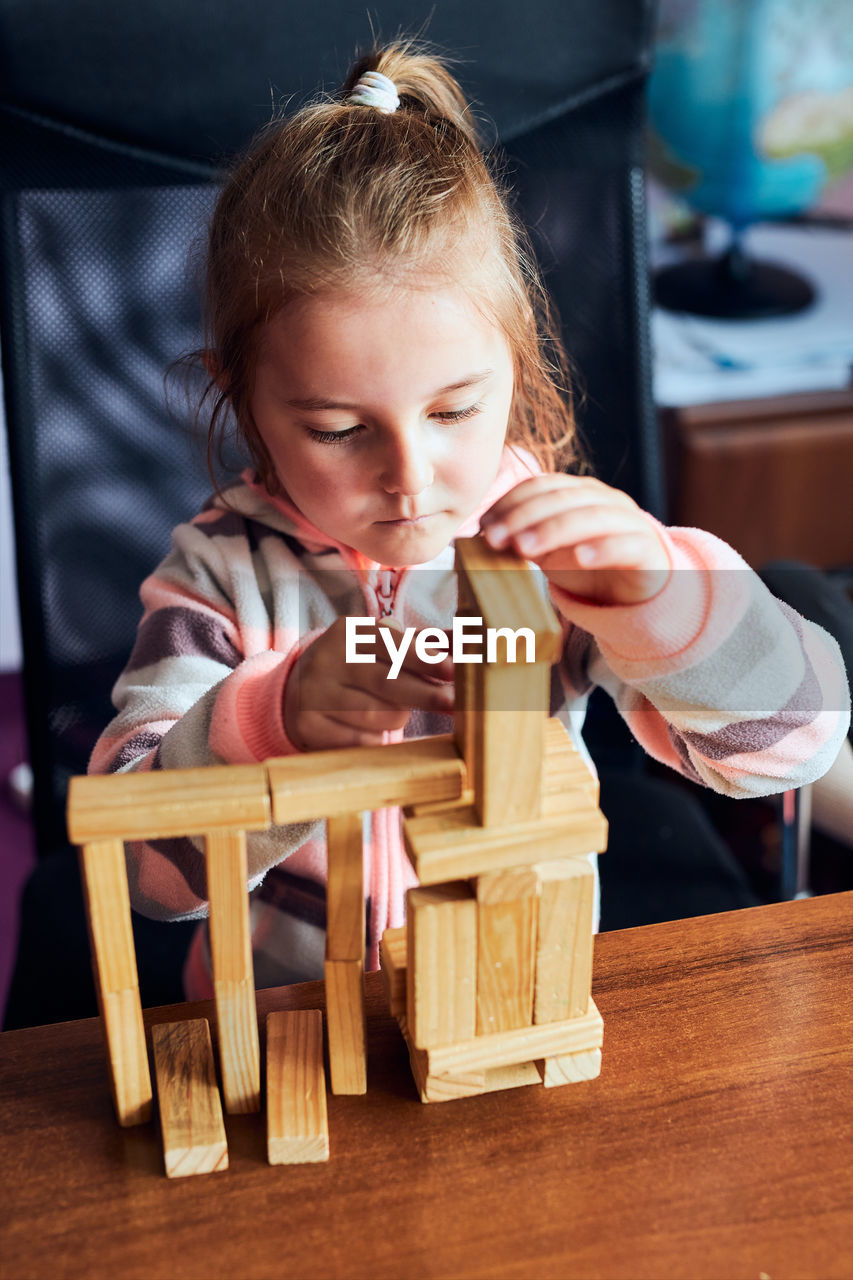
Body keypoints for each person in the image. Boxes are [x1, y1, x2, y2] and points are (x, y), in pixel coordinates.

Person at [89, 44, 850, 999]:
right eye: (336, 428)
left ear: (515, 367)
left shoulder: (551, 553)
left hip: (513, 997)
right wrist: (264, 723)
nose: (409, 477)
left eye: (452, 411)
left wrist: (667, 601)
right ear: (241, 402)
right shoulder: (216, 575)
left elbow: (798, 747)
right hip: (298, 1021)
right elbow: (140, 880)